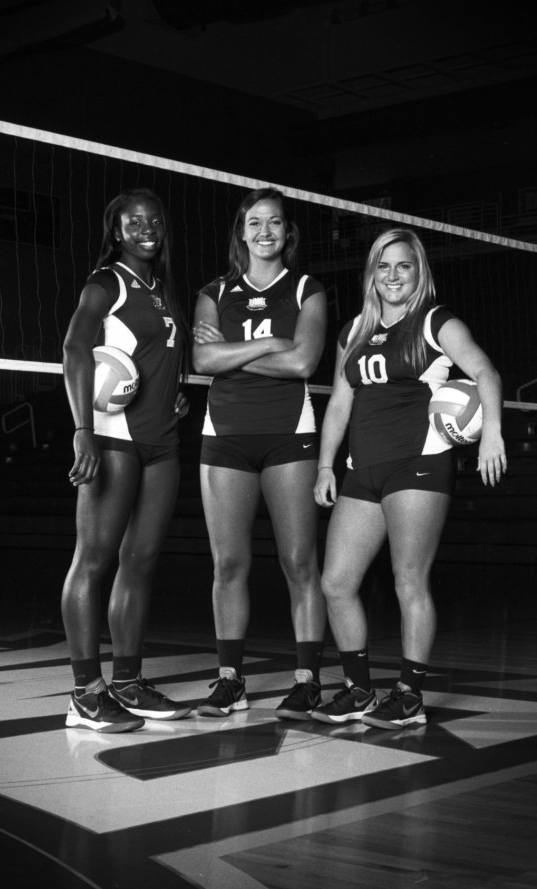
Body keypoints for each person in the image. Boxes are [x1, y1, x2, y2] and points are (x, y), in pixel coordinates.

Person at [313, 227, 506, 730]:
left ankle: (408, 695)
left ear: (420, 272)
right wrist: (324, 465)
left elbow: (486, 372)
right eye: (384, 265)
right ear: (371, 273)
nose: (394, 276)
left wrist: (492, 435)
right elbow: (338, 403)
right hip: (362, 469)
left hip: (418, 464)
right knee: (335, 582)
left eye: (405, 266)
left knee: (408, 580)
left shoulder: (435, 322)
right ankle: (358, 690)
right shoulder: (352, 330)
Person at [191, 187, 328, 719]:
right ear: (241, 232)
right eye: (255, 223)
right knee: (228, 564)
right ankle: (230, 681)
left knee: (299, 562)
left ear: (287, 232)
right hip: (224, 435)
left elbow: (304, 364)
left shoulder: (306, 289)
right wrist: (273, 344)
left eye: (274, 223)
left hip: (287, 434)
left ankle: (308, 680)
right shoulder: (214, 291)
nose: (265, 231)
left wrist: (231, 356)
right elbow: (203, 359)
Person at [61, 187, 191, 733]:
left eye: (154, 219)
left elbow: (156, 359)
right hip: (113, 436)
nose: (146, 227)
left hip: (162, 440)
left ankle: (128, 682)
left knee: (139, 563)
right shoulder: (107, 281)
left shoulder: (162, 289)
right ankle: (85, 693)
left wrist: (174, 392)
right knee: (94, 560)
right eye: (134, 221)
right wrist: (82, 431)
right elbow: (74, 349)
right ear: (116, 231)